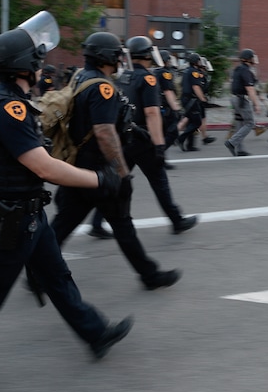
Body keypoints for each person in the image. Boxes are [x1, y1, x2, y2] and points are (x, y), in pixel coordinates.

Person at [0, 12, 132, 392]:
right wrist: (100, 179)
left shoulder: (4, 99)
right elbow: (43, 167)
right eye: (37, 62)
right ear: (26, 67)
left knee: (57, 278)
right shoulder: (10, 108)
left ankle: (95, 333)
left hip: (28, 216)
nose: (42, 68)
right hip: (9, 221)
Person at [50, 31, 181, 290]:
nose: (120, 58)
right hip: (98, 170)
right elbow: (105, 132)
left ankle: (36, 274)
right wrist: (122, 174)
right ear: (106, 56)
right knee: (121, 224)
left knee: (65, 225)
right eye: (116, 54)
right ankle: (149, 275)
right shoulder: (103, 87)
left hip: (77, 167)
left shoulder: (80, 78)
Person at [116, 35, 198, 233]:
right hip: (144, 140)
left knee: (117, 180)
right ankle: (176, 220)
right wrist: (159, 145)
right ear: (146, 55)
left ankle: (96, 223)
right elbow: (152, 113)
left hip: (125, 138)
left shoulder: (124, 76)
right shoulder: (148, 78)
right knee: (159, 181)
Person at [224, 48, 262, 157]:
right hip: (242, 99)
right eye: (253, 57)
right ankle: (232, 142)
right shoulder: (246, 70)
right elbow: (250, 88)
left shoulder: (238, 69)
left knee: (239, 123)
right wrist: (257, 104)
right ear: (248, 59)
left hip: (235, 98)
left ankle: (240, 149)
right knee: (250, 123)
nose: (254, 59)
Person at [177, 53, 207, 152]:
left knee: (191, 120)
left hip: (185, 98)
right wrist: (202, 99)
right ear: (196, 62)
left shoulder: (186, 71)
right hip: (192, 99)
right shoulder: (194, 72)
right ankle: (181, 139)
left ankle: (191, 145)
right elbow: (196, 87)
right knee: (197, 121)